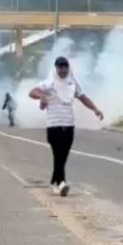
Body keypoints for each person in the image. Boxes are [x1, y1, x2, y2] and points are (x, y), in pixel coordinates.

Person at [29, 56, 103, 197]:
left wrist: (95, 109)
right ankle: (61, 182)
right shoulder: (49, 83)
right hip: (54, 125)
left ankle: (54, 181)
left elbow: (83, 97)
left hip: (68, 123)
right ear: (56, 68)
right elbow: (32, 92)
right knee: (58, 153)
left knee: (63, 155)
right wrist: (42, 96)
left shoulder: (72, 83)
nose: (62, 70)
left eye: (65, 67)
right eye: (60, 67)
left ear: (68, 68)